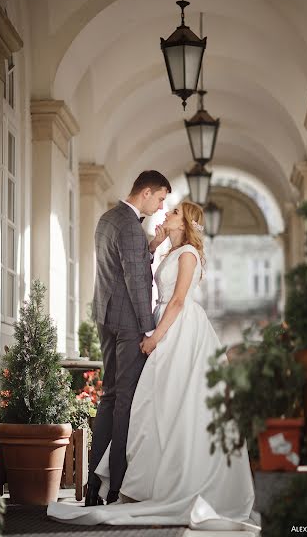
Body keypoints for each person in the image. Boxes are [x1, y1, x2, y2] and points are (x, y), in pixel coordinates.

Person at [48, 201, 260, 532]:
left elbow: (177, 300)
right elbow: (146, 277)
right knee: (153, 404)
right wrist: (156, 244)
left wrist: (155, 337)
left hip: (180, 331)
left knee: (172, 404)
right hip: (165, 323)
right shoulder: (169, 250)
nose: (167, 214)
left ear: (186, 222)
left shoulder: (188, 253)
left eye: (174, 212)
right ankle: (147, 483)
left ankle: (171, 481)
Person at [85, 170, 172, 506]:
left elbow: (125, 265)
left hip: (104, 317)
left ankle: (94, 484)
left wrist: (152, 245)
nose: (162, 205)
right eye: (162, 198)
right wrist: (149, 329)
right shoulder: (132, 226)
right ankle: (116, 485)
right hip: (128, 324)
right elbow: (137, 284)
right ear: (147, 192)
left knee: (108, 397)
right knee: (125, 401)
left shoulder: (108, 218)